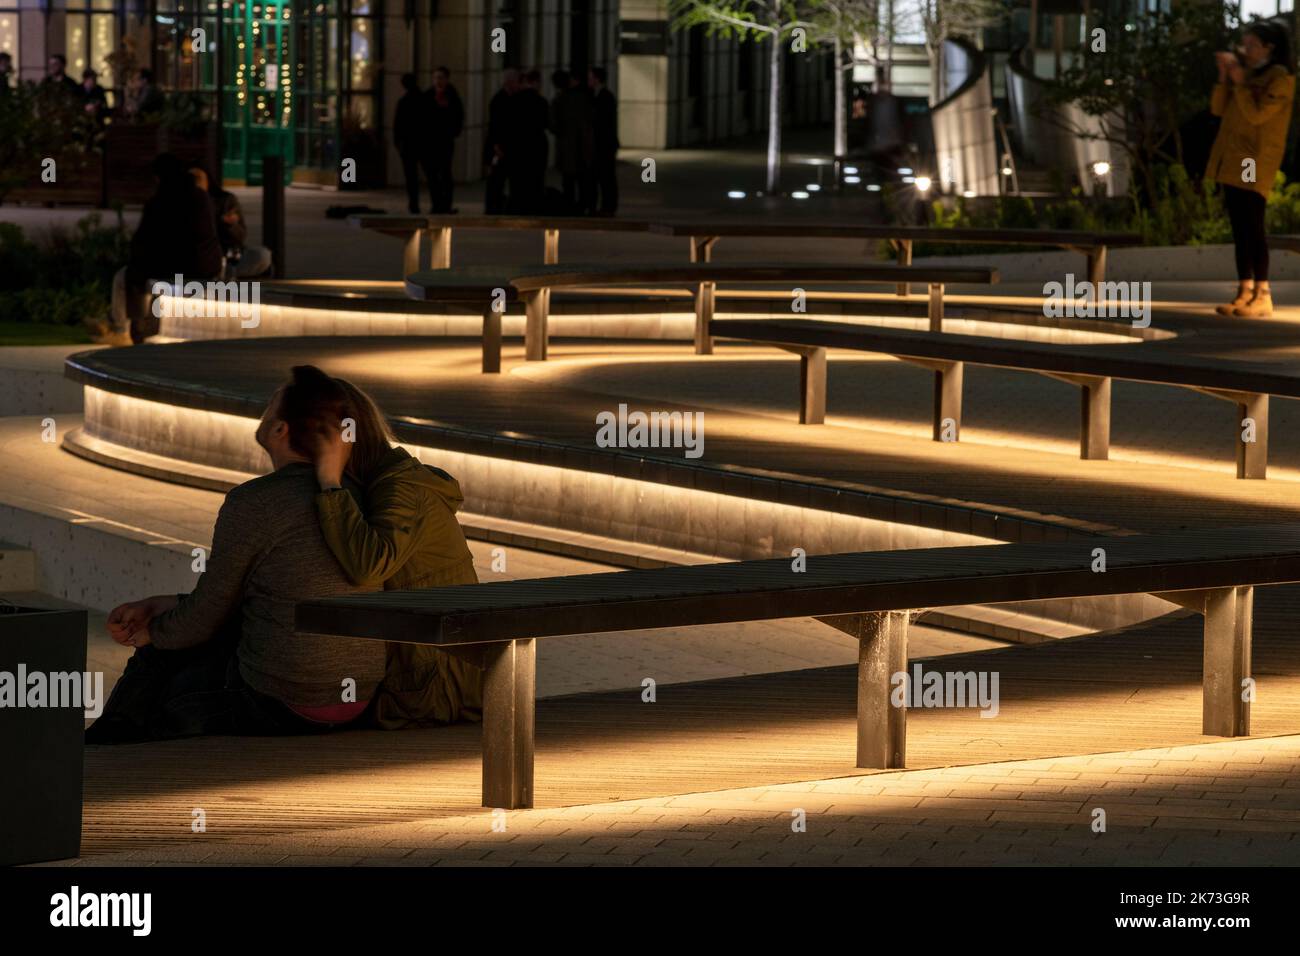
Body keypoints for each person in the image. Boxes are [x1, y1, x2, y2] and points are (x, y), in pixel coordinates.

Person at [86, 368, 388, 743]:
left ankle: (101, 749)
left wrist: (152, 632)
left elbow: (207, 615)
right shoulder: (355, 496)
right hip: (359, 697)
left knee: (155, 664)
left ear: (280, 430)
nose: (262, 412)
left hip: (284, 700)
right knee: (173, 640)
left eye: (269, 406)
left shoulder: (255, 501)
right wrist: (163, 605)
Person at [307, 378, 482, 727]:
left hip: (433, 688)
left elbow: (369, 566)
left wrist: (329, 482)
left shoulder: (401, 488)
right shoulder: (389, 481)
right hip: (426, 674)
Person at [1208, 20, 1296, 318]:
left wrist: (1240, 81)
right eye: (1244, 44)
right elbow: (1219, 110)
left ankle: (1263, 293)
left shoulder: (1280, 78)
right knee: (1239, 226)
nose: (1245, 50)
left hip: (1254, 159)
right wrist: (1225, 78)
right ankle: (1244, 291)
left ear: (1269, 47)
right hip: (1233, 156)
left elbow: (1257, 115)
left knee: (1252, 223)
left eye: (1251, 45)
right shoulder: (1247, 76)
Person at [113, 153, 223, 342]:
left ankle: (126, 328)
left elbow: (144, 241)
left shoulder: (159, 202)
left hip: (177, 266)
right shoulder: (201, 197)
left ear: (159, 177)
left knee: (125, 276)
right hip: (207, 266)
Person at [188, 163, 274, 277]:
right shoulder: (182, 202)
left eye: (199, 179)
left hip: (225, 253)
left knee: (262, 255)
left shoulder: (225, 200)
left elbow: (240, 236)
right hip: (196, 257)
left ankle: (224, 272)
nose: (196, 184)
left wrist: (230, 225)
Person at [550, 69, 595, 214]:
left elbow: (553, 124)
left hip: (566, 146)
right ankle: (584, 205)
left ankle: (569, 206)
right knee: (583, 180)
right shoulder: (583, 98)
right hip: (582, 146)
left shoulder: (559, 100)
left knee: (568, 181)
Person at [506, 69, 550, 214]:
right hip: (536, 145)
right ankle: (534, 206)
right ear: (536, 82)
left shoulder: (514, 100)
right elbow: (547, 123)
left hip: (517, 145)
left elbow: (508, 125)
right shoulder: (541, 101)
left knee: (518, 178)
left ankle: (517, 206)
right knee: (535, 178)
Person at [427, 66, 465, 213]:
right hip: (431, 142)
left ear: (447, 79)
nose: (438, 81)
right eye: (436, 77)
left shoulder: (452, 96)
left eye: (441, 77)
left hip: (445, 141)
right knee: (432, 175)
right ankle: (436, 204)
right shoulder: (428, 96)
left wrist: (453, 132)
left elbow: (458, 117)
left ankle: (446, 204)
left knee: (445, 173)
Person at [482, 68, 519, 214]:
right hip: (500, 147)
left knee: (499, 179)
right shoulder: (499, 100)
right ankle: (493, 207)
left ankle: (498, 206)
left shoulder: (510, 99)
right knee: (496, 179)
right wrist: (496, 145)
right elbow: (495, 125)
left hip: (507, 146)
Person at [393, 72, 431, 214]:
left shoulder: (404, 102)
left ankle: (414, 204)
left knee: (411, 177)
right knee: (430, 174)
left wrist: (398, 143)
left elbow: (397, 126)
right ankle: (437, 203)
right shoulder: (425, 99)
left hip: (409, 145)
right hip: (424, 143)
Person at [588, 66, 619, 216]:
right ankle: (605, 206)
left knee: (606, 177)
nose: (589, 80)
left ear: (597, 79)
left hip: (605, 144)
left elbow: (604, 123)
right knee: (602, 176)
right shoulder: (599, 95)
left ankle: (609, 206)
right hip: (601, 144)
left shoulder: (605, 97)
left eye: (591, 77)